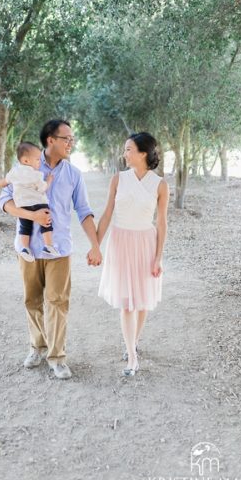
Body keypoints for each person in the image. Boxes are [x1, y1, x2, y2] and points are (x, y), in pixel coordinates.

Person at [0, 119, 102, 380]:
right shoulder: (25, 166)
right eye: (66, 138)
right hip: (28, 249)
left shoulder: (74, 175)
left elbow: (84, 212)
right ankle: (38, 347)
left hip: (59, 250)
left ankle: (57, 357)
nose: (71, 143)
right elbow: (5, 202)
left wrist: (95, 245)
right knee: (32, 300)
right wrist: (31, 217)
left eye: (72, 139)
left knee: (57, 301)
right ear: (50, 140)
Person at [96, 132, 168, 377]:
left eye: (128, 149)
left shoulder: (160, 184)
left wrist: (158, 257)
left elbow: (162, 223)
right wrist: (96, 244)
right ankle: (132, 357)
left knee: (143, 299)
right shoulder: (118, 179)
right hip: (121, 241)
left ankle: (134, 342)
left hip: (146, 243)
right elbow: (106, 214)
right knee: (127, 303)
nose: (124, 154)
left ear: (143, 153)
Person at [0, 141, 59, 261]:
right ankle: (48, 245)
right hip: (38, 203)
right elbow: (43, 188)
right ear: (26, 161)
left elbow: (5, 182)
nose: (40, 162)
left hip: (22, 205)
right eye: (37, 159)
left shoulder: (14, 172)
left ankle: (25, 248)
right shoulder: (36, 174)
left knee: (25, 227)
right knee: (46, 222)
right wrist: (49, 180)